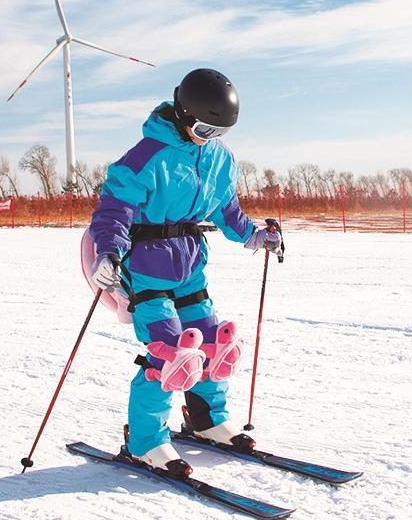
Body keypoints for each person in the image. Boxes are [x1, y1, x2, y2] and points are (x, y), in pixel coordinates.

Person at [88, 68, 282, 477]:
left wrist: (255, 236)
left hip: (190, 263)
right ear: (182, 112)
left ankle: (207, 419)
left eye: (219, 131)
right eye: (203, 128)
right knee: (171, 354)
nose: (208, 138)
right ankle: (145, 441)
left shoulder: (219, 159)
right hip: (144, 266)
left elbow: (227, 210)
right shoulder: (144, 156)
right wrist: (108, 252)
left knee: (213, 344)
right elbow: (113, 211)